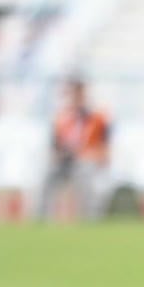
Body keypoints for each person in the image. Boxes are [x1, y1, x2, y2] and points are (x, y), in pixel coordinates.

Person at [37, 77, 111, 222]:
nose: (76, 98)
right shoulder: (62, 119)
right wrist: (61, 155)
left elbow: (105, 151)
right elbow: (54, 148)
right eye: (73, 94)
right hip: (64, 163)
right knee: (46, 174)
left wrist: (85, 155)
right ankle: (42, 219)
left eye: (79, 94)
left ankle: (90, 220)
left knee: (85, 173)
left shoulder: (98, 119)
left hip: (86, 162)